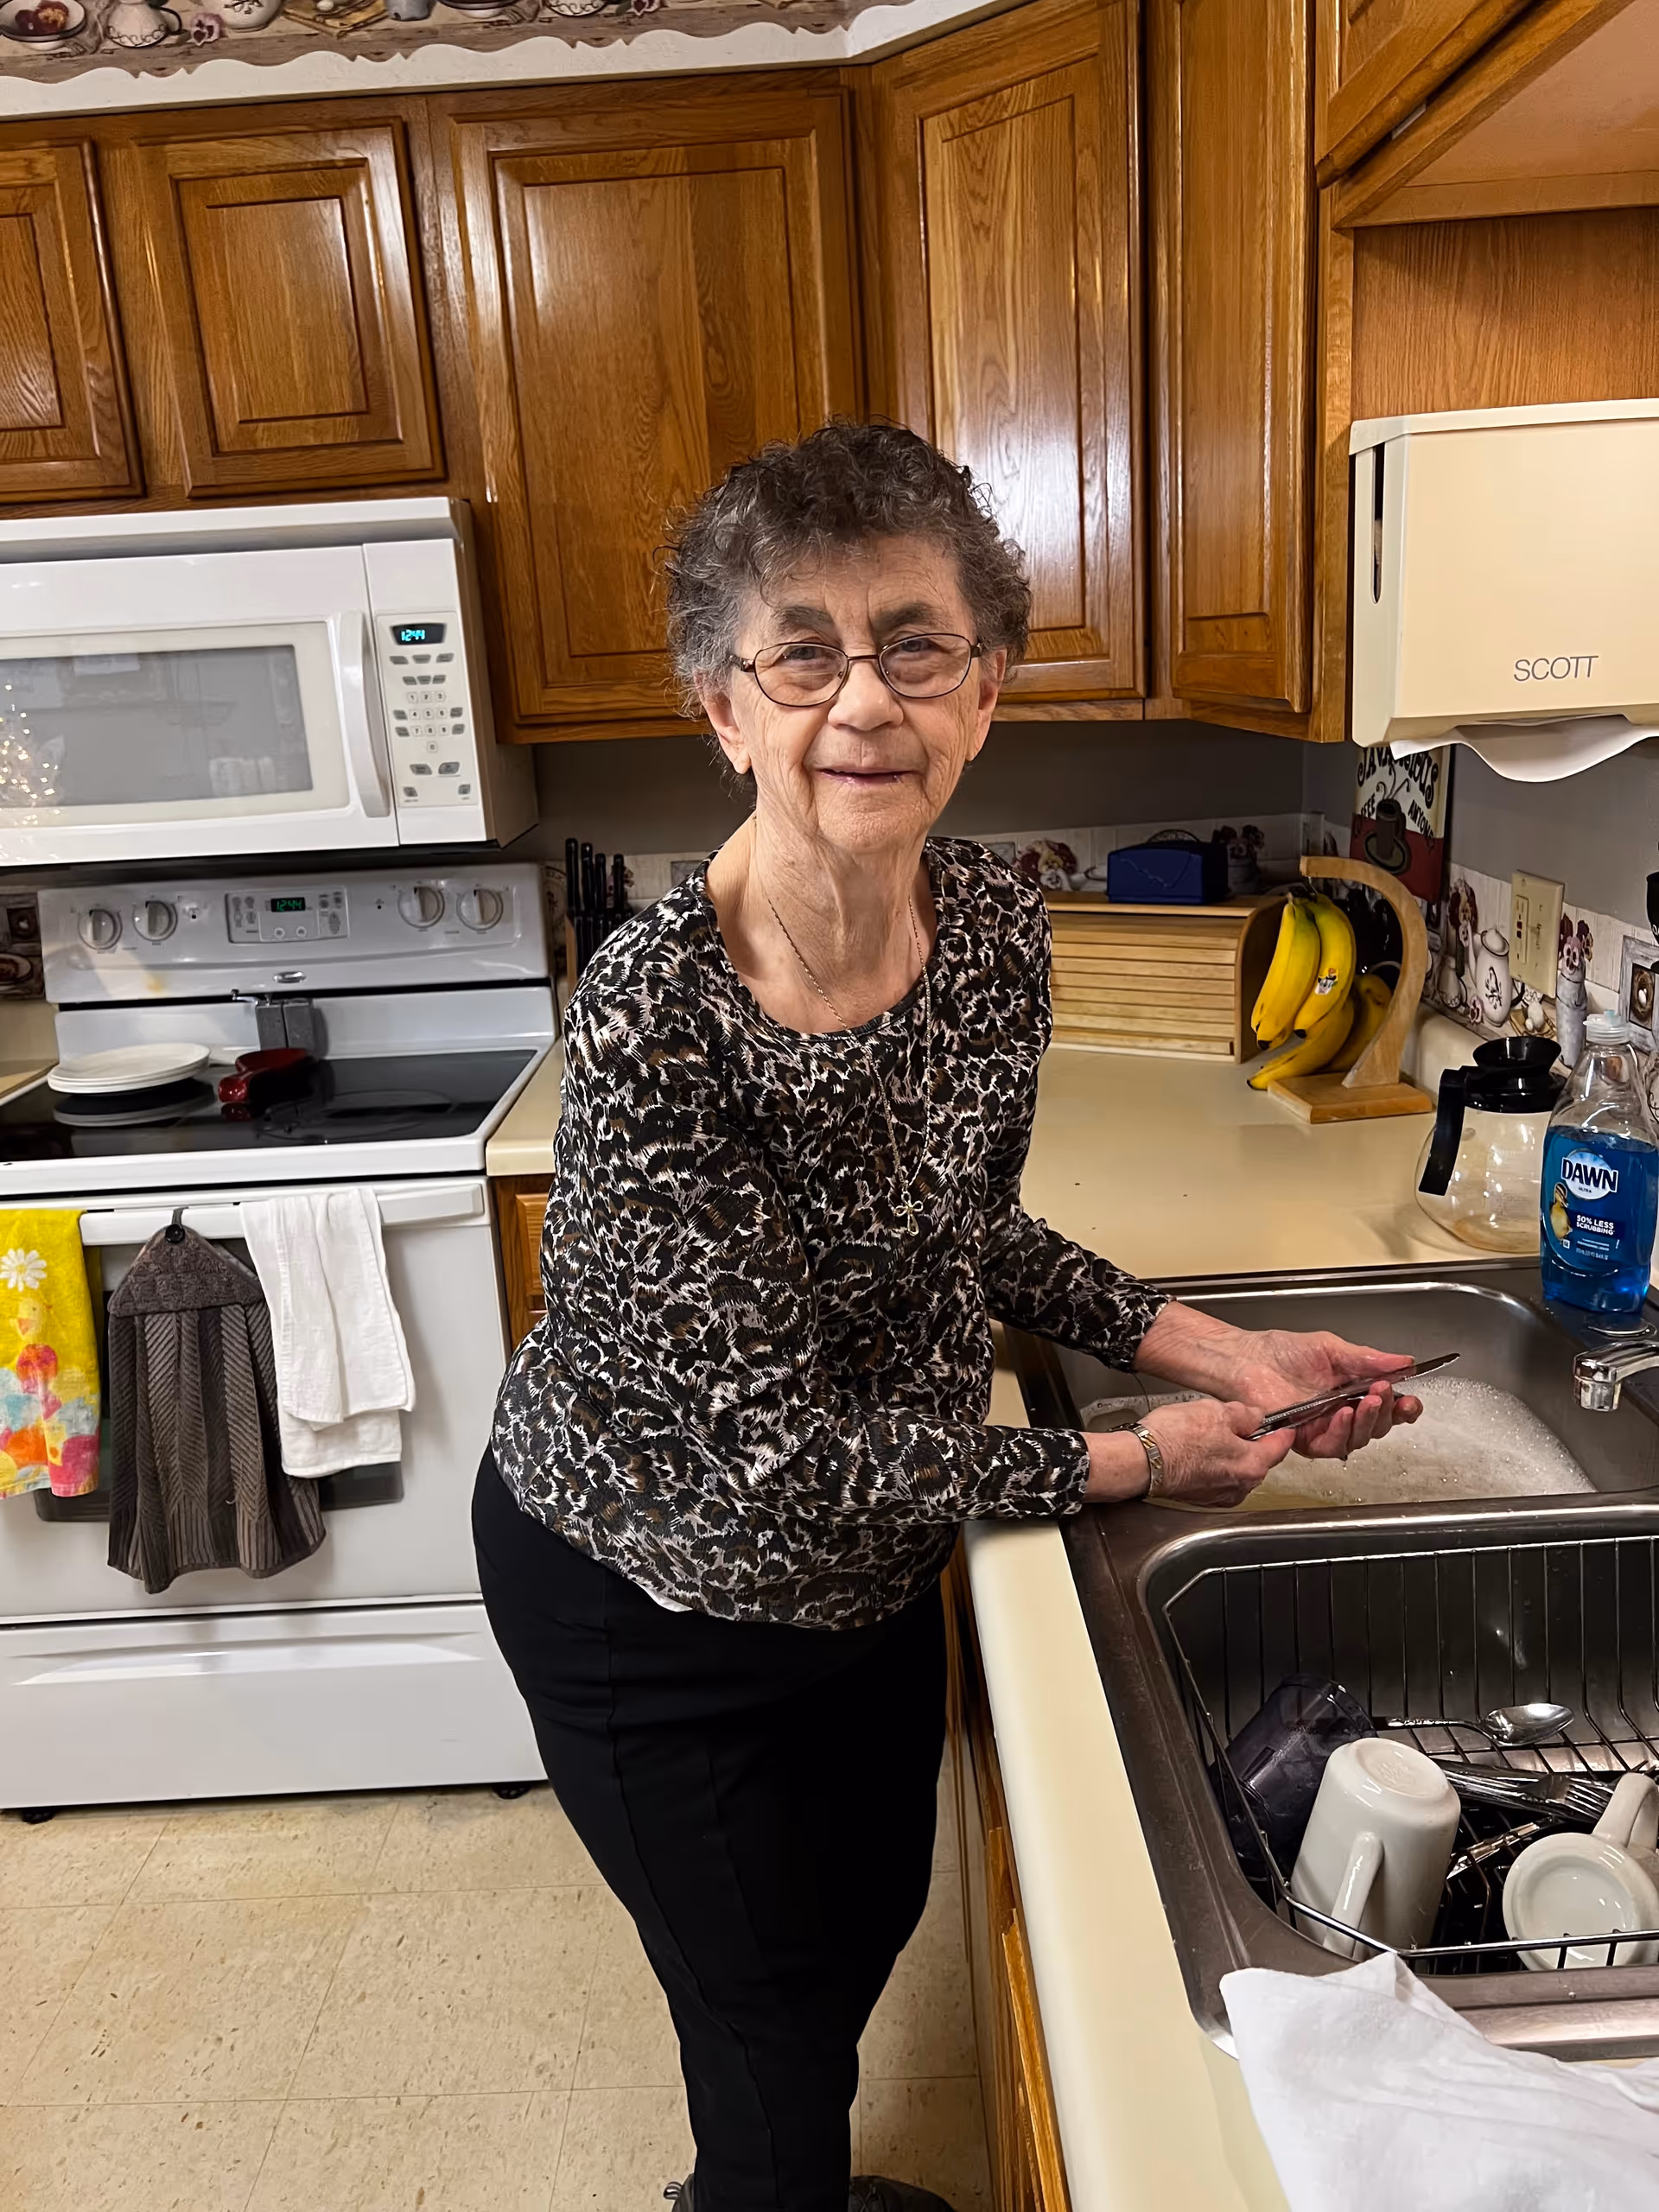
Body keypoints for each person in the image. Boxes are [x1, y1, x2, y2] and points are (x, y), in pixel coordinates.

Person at [474, 420, 1421, 2212]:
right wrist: (1139, 1455)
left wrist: (1221, 1349)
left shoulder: (992, 926)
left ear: (982, 694)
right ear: (723, 707)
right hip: (647, 1595)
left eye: (914, 643)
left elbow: (966, 1228)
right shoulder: (654, 1019)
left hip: (864, 1574)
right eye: (802, 648)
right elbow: (778, 1454)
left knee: (854, 1940)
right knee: (760, 2039)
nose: (864, 701)